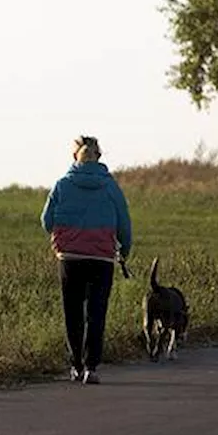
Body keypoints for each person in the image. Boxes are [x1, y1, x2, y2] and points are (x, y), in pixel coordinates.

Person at [40, 136, 133, 385]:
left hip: (69, 257)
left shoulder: (62, 185)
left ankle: (76, 365)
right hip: (101, 258)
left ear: (74, 157)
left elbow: (46, 220)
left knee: (73, 312)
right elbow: (124, 221)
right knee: (96, 312)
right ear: (99, 157)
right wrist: (124, 251)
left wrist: (60, 236)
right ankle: (92, 367)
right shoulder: (110, 186)